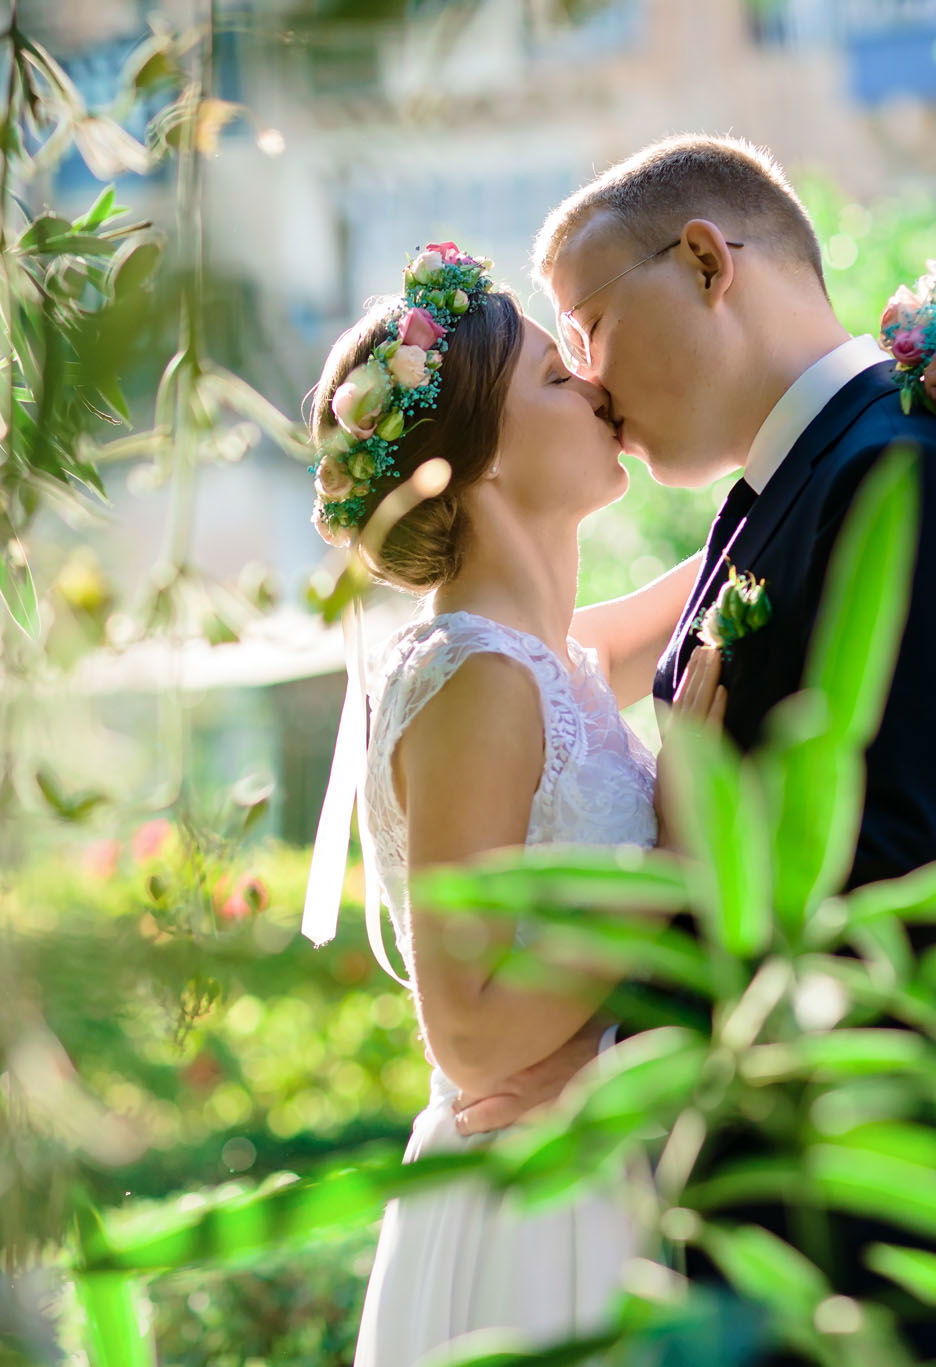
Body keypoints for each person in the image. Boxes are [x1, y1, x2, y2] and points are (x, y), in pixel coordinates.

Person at [447, 135, 936, 1362]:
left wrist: (608, 1035)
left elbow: (890, 890)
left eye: (583, 325)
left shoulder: (906, 483)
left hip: (905, 1250)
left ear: (700, 263)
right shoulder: (783, 499)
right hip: (792, 1239)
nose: (585, 380)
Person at [304, 242, 717, 1366]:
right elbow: (472, 1030)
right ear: (475, 460)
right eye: (551, 376)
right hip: (533, 1209)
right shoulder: (478, 679)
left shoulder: (553, 658)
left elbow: (731, 564)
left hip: (588, 1165)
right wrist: (677, 856)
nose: (592, 386)